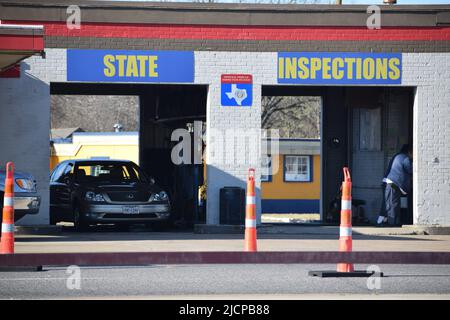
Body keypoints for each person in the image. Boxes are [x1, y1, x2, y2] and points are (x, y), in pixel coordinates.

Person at [377, 144, 413, 226]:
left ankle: (381, 222)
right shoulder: (405, 158)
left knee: (387, 204)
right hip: (392, 184)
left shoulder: (397, 156)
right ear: (409, 151)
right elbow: (411, 170)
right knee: (392, 204)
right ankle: (392, 223)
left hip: (389, 183)